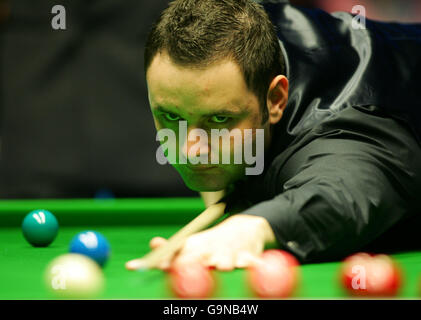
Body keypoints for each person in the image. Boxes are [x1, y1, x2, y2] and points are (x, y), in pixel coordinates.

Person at [126, 0, 421, 271]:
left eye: (218, 119)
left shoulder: (341, 124)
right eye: (171, 116)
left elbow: (342, 194)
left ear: (275, 99)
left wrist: (250, 228)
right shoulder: (245, 28)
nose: (190, 150)